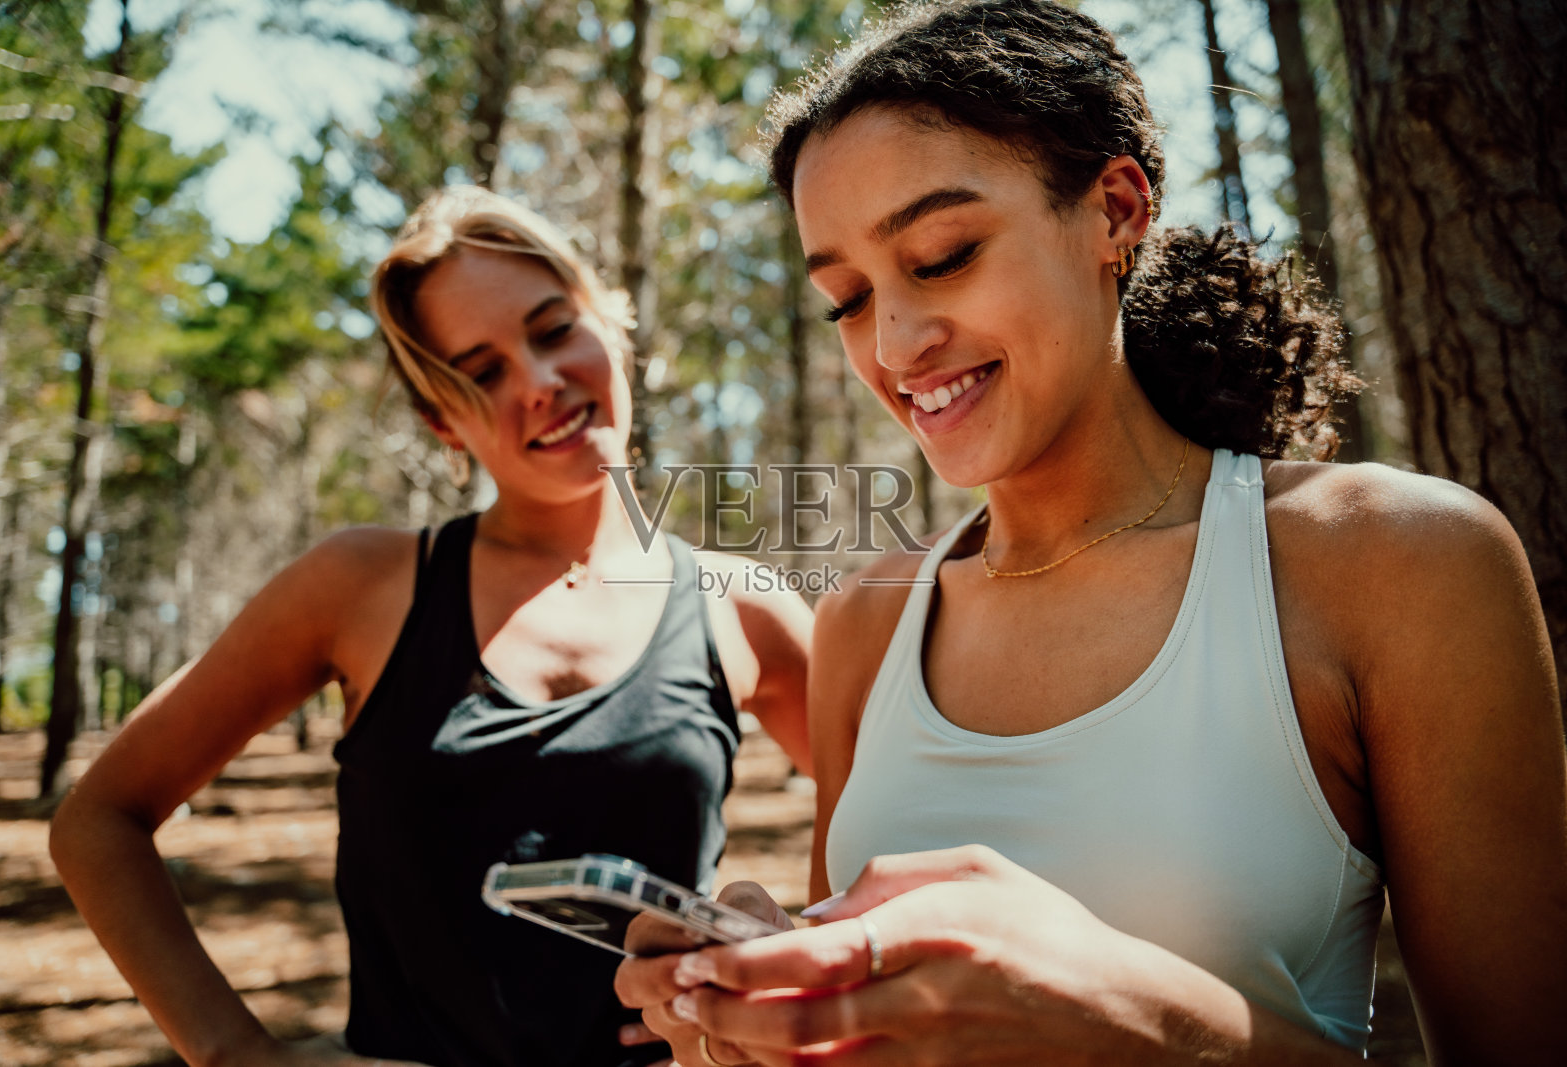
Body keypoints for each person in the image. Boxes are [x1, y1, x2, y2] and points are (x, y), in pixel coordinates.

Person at [615, 1, 1567, 1063]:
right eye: (845, 298)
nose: (892, 344)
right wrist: (757, 1006)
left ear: (1116, 209)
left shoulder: (1397, 564)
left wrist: (1130, 1017)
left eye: (942, 254)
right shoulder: (865, 626)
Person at [49, 185, 814, 1067]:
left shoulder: (740, 606)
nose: (539, 382)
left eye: (554, 328)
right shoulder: (360, 588)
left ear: (611, 322)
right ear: (441, 421)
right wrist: (234, 1052)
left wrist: (785, 940)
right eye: (481, 373)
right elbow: (99, 819)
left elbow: (905, 836)